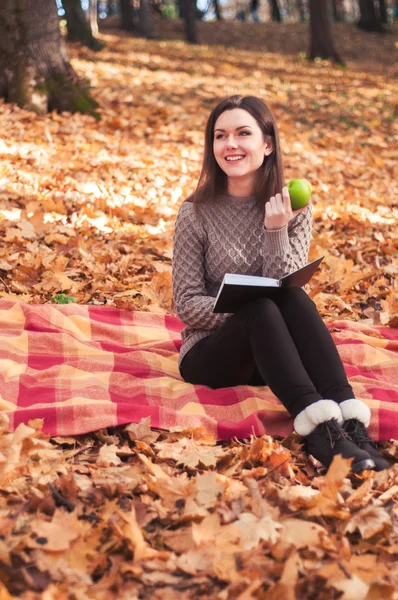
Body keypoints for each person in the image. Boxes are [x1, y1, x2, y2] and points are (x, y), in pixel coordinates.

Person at [172, 94, 389, 473]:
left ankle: (351, 423)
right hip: (211, 354)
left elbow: (287, 287)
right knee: (260, 308)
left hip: (270, 352)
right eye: (220, 136)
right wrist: (247, 311)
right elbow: (187, 303)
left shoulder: (293, 206)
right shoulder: (195, 213)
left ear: (267, 143)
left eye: (243, 133)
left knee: (294, 301)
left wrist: (276, 230)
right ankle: (321, 433)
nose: (230, 144)